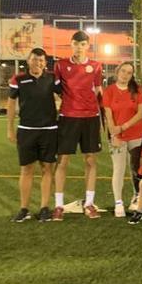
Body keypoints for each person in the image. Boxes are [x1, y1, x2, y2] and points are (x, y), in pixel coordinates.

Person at [54, 30, 104, 221]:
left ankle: (89, 204)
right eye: (76, 44)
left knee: (91, 160)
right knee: (63, 160)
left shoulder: (96, 66)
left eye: (83, 44)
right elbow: (55, 90)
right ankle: (58, 205)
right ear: (71, 45)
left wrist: (101, 119)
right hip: (68, 118)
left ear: (87, 46)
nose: (79, 47)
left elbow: (99, 94)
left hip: (90, 118)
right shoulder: (61, 65)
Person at [7, 48, 58, 223]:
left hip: (49, 130)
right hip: (26, 130)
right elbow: (11, 104)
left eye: (42, 60)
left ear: (45, 63)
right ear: (28, 61)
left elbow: (67, 95)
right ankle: (24, 208)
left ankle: (44, 207)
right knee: (26, 169)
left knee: (47, 169)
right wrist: (10, 128)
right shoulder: (19, 79)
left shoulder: (52, 78)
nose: (38, 63)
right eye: (35, 60)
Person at [102, 62, 142, 218]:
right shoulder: (109, 91)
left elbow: (140, 114)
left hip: (136, 134)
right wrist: (114, 133)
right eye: (123, 71)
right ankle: (118, 202)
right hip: (117, 136)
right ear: (117, 71)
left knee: (135, 168)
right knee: (118, 169)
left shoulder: (137, 91)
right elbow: (108, 115)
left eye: (129, 72)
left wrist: (123, 127)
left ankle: (137, 196)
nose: (125, 74)